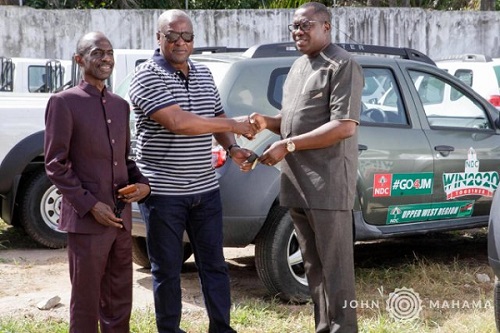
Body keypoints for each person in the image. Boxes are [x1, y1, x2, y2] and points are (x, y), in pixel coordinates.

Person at [128, 9, 256, 333]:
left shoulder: (202, 74)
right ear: (159, 38)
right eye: (172, 35)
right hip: (164, 193)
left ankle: (221, 328)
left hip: (205, 191)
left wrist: (232, 146)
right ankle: (169, 330)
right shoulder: (146, 75)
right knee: (167, 269)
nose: (180, 42)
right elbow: (179, 123)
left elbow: (214, 113)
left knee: (214, 265)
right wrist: (234, 125)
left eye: (187, 36)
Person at [248, 2, 364, 332]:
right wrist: (267, 122)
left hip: (327, 186)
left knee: (337, 270)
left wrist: (289, 145)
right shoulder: (299, 66)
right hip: (297, 185)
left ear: (326, 27)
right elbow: (293, 121)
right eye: (294, 27)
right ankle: (323, 327)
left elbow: (344, 126)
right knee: (314, 267)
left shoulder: (343, 65)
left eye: (305, 25)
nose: (298, 32)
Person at [44, 31, 150, 333]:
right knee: (86, 303)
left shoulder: (120, 105)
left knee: (119, 301)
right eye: (97, 53)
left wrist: (143, 185)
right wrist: (91, 205)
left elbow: (125, 160)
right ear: (80, 60)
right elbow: (55, 165)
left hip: (121, 220)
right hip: (87, 223)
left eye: (109, 52)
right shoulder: (63, 103)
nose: (106, 58)